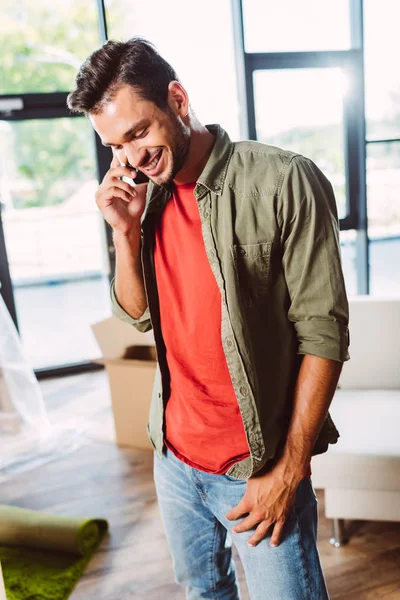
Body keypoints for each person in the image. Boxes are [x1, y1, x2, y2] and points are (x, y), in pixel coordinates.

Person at [67, 37, 350, 600]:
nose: (132, 157)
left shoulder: (283, 181)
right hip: (174, 459)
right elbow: (138, 316)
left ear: (178, 99)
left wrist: (289, 471)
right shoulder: (142, 200)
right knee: (204, 594)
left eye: (139, 132)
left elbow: (324, 334)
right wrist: (124, 233)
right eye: (115, 146)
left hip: (258, 467)